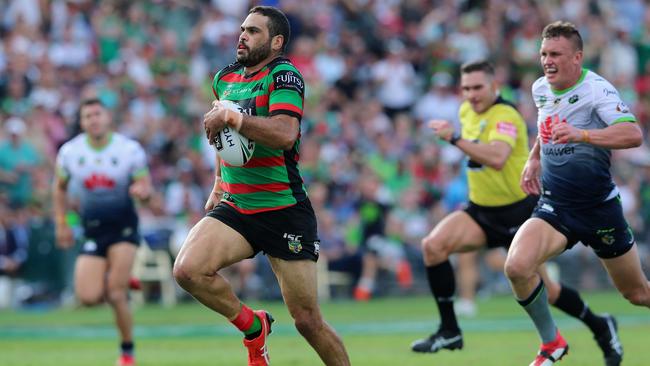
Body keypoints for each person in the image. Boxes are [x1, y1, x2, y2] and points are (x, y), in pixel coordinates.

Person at [411, 60, 623, 366]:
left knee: (547, 291)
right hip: (482, 211)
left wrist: (454, 139)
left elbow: (498, 157)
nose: (471, 94)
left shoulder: (505, 113)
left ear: (494, 85)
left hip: (519, 212)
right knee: (433, 246)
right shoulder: (465, 111)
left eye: (478, 87)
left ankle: (600, 326)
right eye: (466, 88)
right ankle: (449, 330)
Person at [172, 6, 350, 366]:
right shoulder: (224, 78)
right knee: (187, 271)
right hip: (237, 206)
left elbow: (285, 134)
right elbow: (224, 140)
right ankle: (253, 326)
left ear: (276, 41)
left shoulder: (285, 76)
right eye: (242, 29)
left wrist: (234, 117)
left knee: (307, 321)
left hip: (283, 210)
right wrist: (220, 182)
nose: (242, 35)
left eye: (253, 31)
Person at [504, 21, 650, 366]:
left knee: (637, 293)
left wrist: (584, 135)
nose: (547, 61)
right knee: (517, 266)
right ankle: (550, 342)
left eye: (555, 54)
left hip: (599, 209)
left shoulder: (598, 90)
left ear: (577, 57)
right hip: (556, 206)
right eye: (543, 54)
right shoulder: (541, 88)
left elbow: (632, 134)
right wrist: (533, 158)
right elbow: (547, 123)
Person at [53, 98, 152, 366]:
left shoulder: (129, 150)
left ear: (107, 117)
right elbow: (59, 188)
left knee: (117, 294)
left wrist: (142, 192)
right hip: (92, 231)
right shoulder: (69, 153)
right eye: (88, 116)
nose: (93, 119)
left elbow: (145, 187)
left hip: (124, 228)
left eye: (97, 114)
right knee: (87, 297)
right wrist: (62, 223)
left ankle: (127, 352)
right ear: (82, 122)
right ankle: (116, 276)